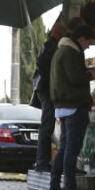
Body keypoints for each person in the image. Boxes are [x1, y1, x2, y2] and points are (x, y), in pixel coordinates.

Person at [48, 18, 95, 190]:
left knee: (63, 150)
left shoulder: (60, 51)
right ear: (82, 38)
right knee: (70, 151)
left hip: (62, 106)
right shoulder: (71, 53)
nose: (89, 46)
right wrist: (90, 75)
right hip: (74, 106)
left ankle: (54, 189)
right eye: (89, 41)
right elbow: (75, 78)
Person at [31, 21, 65, 172]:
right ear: (57, 34)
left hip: (44, 89)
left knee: (47, 126)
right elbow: (47, 71)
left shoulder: (48, 47)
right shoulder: (51, 48)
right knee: (47, 126)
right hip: (46, 90)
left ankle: (42, 161)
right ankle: (42, 162)